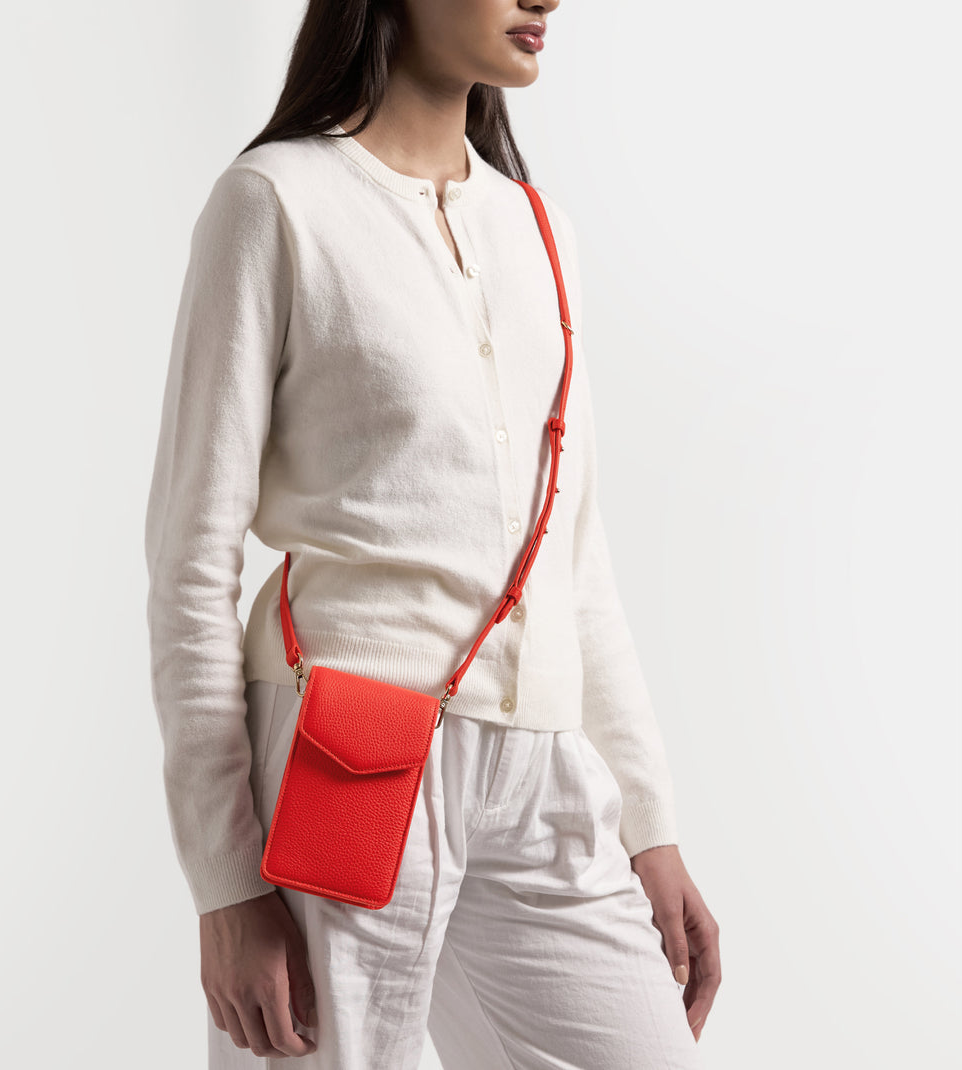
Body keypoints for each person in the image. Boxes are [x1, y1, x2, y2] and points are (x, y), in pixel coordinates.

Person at [144, 0, 722, 1065]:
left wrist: (647, 821)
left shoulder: (537, 229)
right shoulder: (276, 202)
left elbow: (573, 556)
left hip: (542, 776)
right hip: (347, 755)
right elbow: (190, 558)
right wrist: (224, 881)